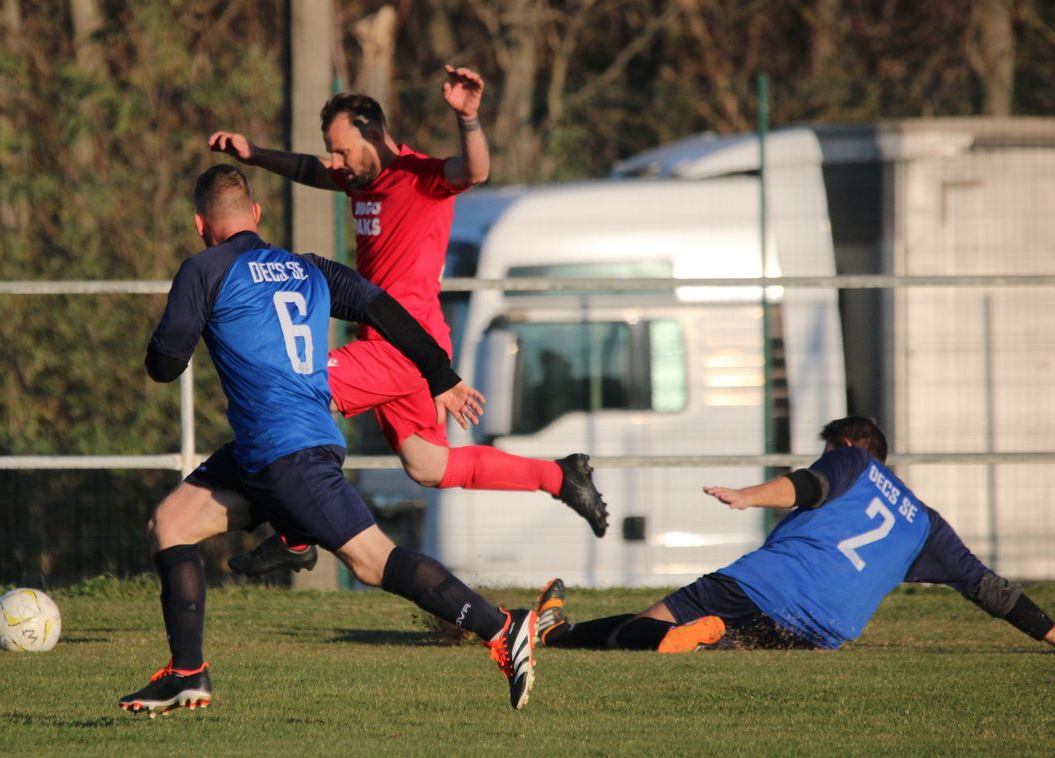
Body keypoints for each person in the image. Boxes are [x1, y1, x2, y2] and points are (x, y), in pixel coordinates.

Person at [119, 165, 537, 715]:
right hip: (268, 450)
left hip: (288, 458)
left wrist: (179, 325)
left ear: (201, 224)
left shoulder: (204, 270)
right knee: (170, 524)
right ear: (257, 215)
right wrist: (441, 374)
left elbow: (166, 365)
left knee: (372, 563)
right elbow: (387, 310)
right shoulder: (310, 269)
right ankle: (187, 673)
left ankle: (502, 628)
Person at [208, 65, 608, 578]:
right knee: (429, 465)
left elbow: (475, 171)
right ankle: (559, 476)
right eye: (332, 151)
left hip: (400, 349)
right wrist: (255, 155)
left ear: (373, 133)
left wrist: (468, 119)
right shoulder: (360, 178)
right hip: (404, 347)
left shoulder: (423, 178)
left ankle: (294, 536)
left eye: (343, 149)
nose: (337, 162)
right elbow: (312, 171)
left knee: (289, 392)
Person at [534, 416, 1055, 653]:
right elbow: (992, 591)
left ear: (848, 443)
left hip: (766, 583)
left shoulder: (850, 461)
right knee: (730, 639)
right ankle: (703, 639)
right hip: (824, 631)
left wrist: (748, 495)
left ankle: (559, 635)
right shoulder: (927, 524)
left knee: (641, 629)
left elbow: (808, 486)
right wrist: (1050, 634)